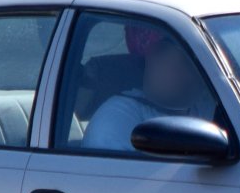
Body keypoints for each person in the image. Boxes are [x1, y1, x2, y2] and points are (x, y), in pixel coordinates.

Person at [80, 24, 211, 152]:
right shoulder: (116, 118)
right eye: (187, 61)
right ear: (154, 58)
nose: (200, 73)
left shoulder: (209, 106)